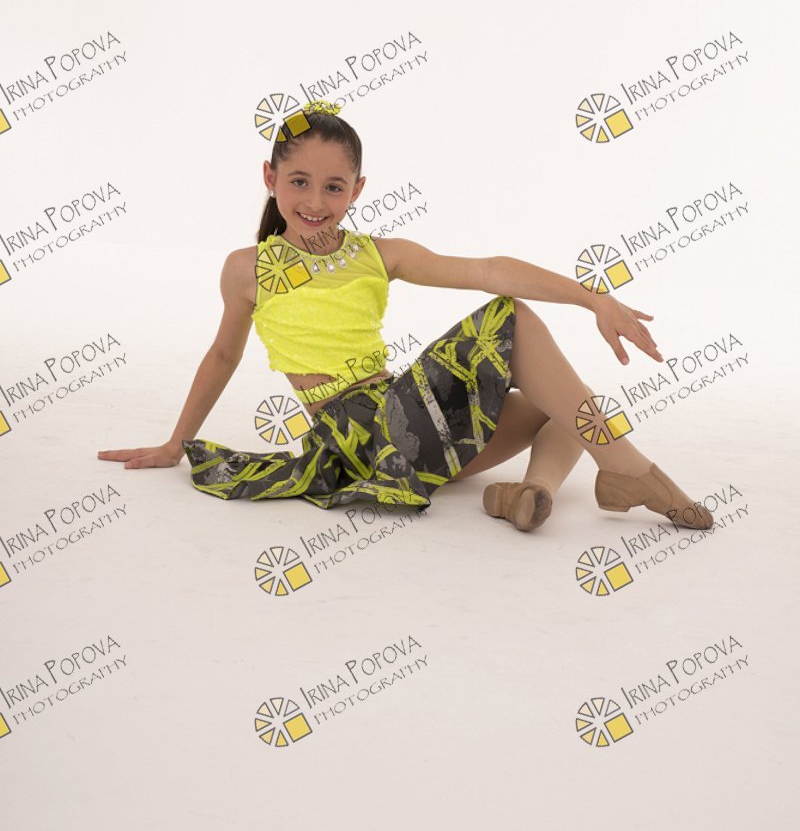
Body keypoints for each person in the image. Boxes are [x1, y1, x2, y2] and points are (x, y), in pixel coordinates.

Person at [97, 101, 713, 533]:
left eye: (334, 187)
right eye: (299, 181)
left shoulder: (377, 254)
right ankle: (630, 469)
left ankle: (532, 493)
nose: (315, 201)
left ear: (358, 189)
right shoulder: (247, 268)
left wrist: (593, 298)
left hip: (416, 434)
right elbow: (223, 356)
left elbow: (488, 270)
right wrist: (175, 443)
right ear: (270, 178)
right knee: (516, 321)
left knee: (572, 404)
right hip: (362, 434)